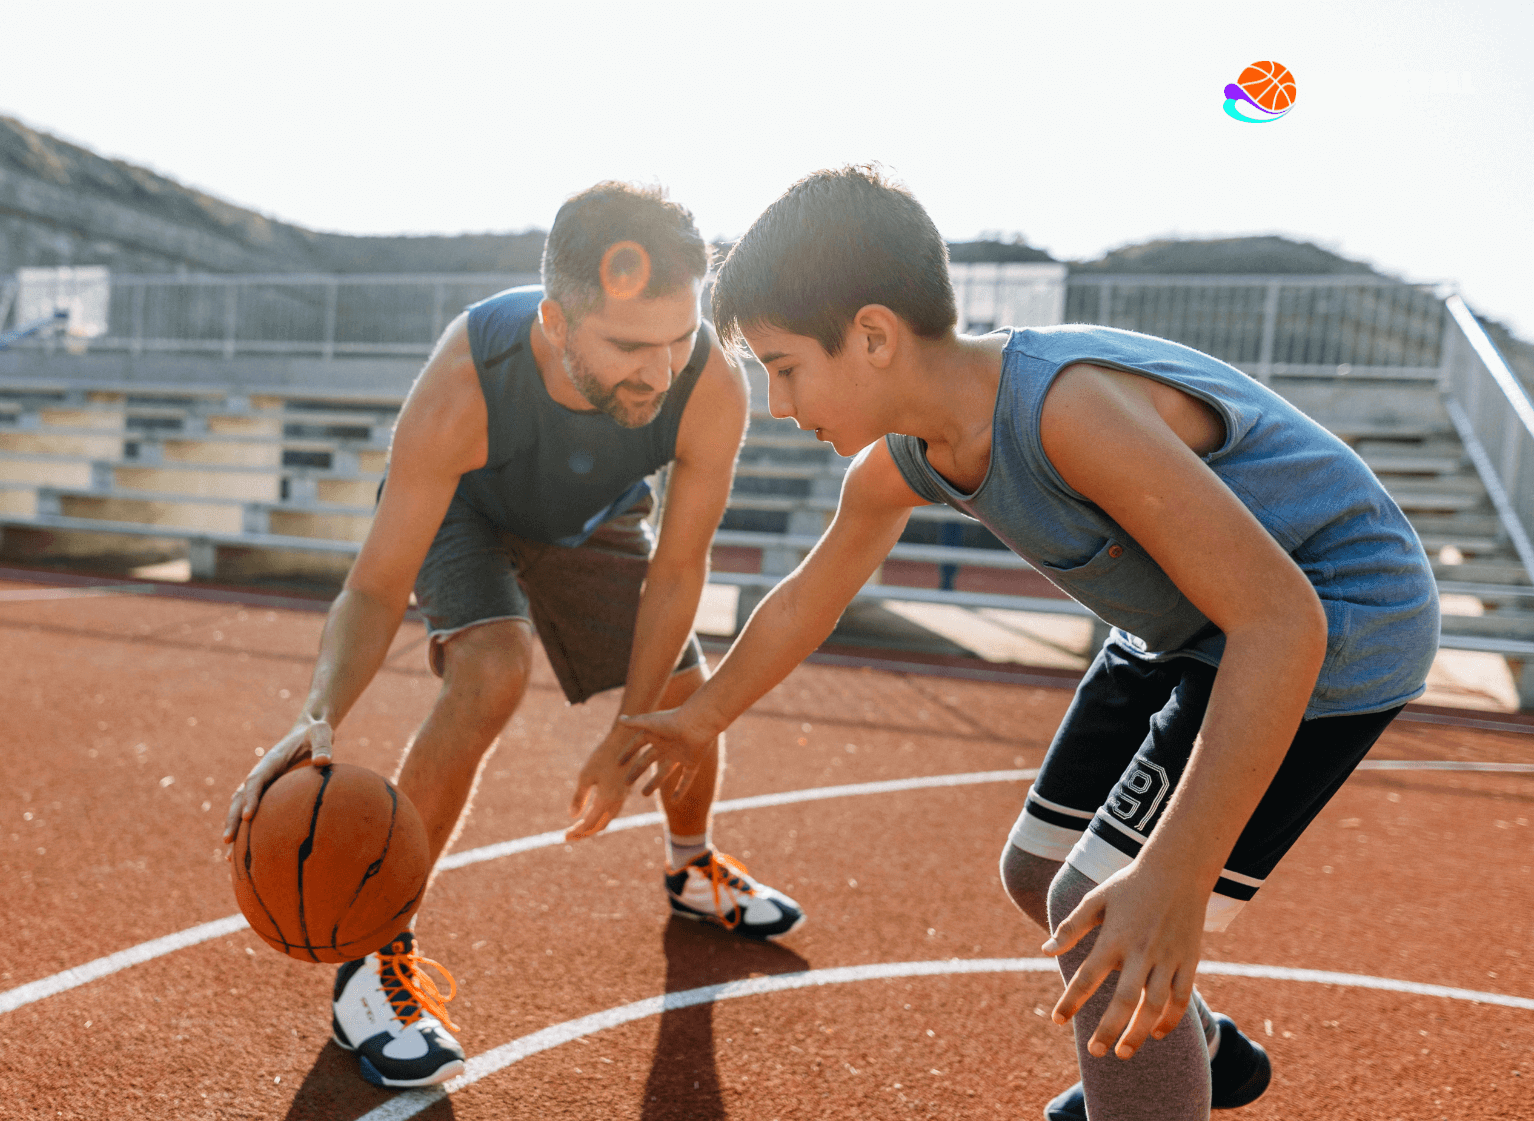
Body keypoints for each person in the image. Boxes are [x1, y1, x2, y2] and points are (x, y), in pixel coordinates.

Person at [615, 166, 1438, 1121]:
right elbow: (807, 597)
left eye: (786, 365)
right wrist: (701, 714)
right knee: (1041, 873)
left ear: (874, 336)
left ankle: (1154, 1089)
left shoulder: (1066, 411)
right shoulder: (907, 457)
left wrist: (1174, 871)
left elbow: (1281, 620)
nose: (779, 402)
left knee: (1108, 908)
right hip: (1189, 620)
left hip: (1336, 616)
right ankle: (1199, 1052)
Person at [219, 182, 806, 1090]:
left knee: (681, 696)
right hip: (471, 509)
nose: (659, 369)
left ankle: (693, 870)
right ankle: (374, 961)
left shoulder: (709, 382)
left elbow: (679, 570)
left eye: (678, 337)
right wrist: (319, 710)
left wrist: (633, 722)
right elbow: (374, 587)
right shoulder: (466, 384)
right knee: (493, 670)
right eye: (628, 346)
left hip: (591, 520)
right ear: (555, 321)